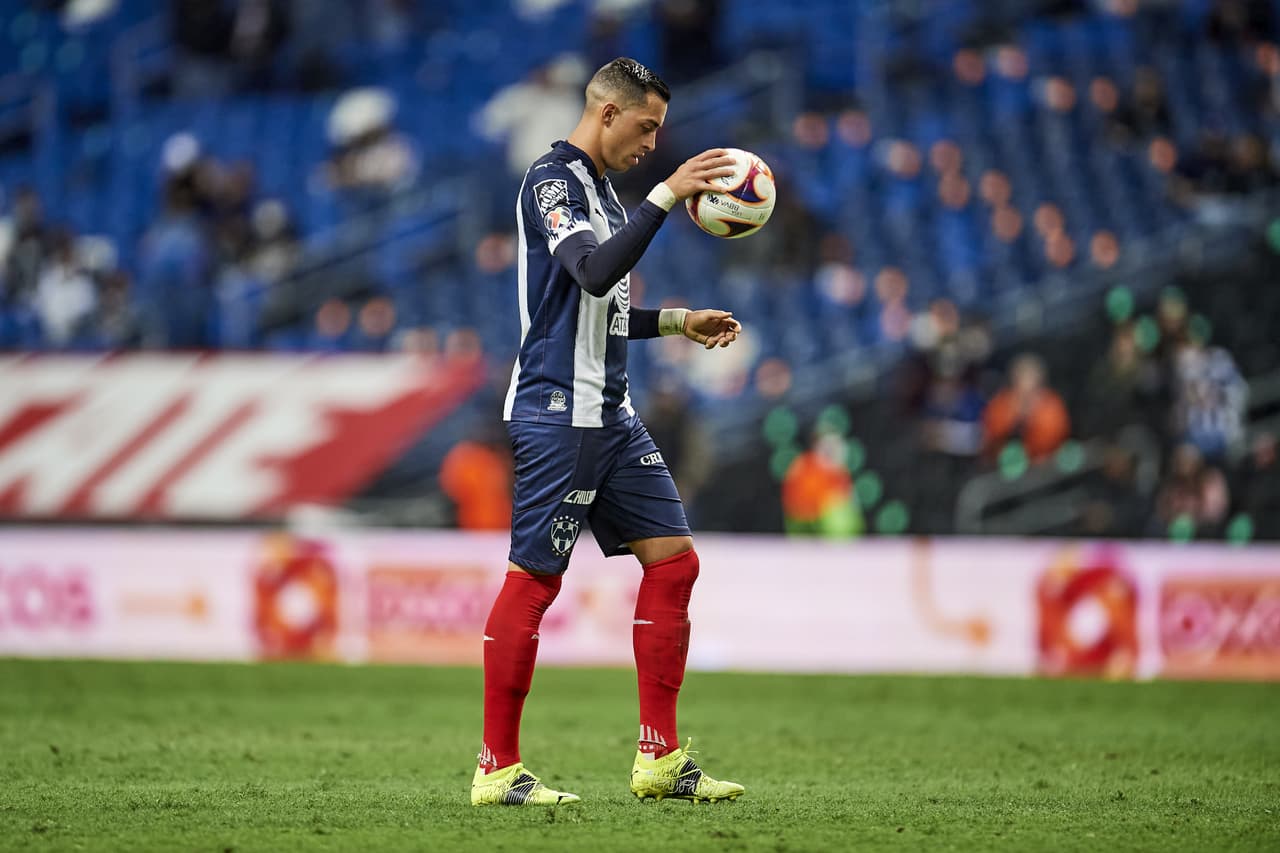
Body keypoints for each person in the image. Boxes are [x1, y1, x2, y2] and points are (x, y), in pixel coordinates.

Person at [471, 57, 745, 807]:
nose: (652, 144)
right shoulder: (553, 182)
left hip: (612, 414)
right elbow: (591, 274)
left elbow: (605, 309)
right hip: (561, 411)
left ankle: (659, 756)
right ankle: (496, 767)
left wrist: (678, 321)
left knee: (675, 564)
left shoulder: (606, 195)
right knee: (534, 580)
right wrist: (667, 195)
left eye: (659, 130)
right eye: (646, 126)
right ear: (605, 112)